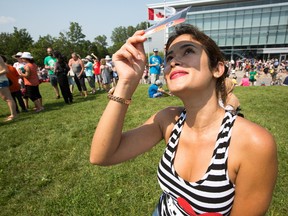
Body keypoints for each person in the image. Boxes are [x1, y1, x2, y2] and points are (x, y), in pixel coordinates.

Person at [90, 24, 278, 215]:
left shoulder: (253, 143)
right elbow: (102, 155)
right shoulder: (168, 119)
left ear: (217, 68)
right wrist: (126, 82)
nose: (174, 61)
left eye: (188, 51)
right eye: (169, 57)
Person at [0, 55, 17, 121]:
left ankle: (14, 115)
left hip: (1, 81)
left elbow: (5, 70)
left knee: (7, 98)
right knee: (6, 98)